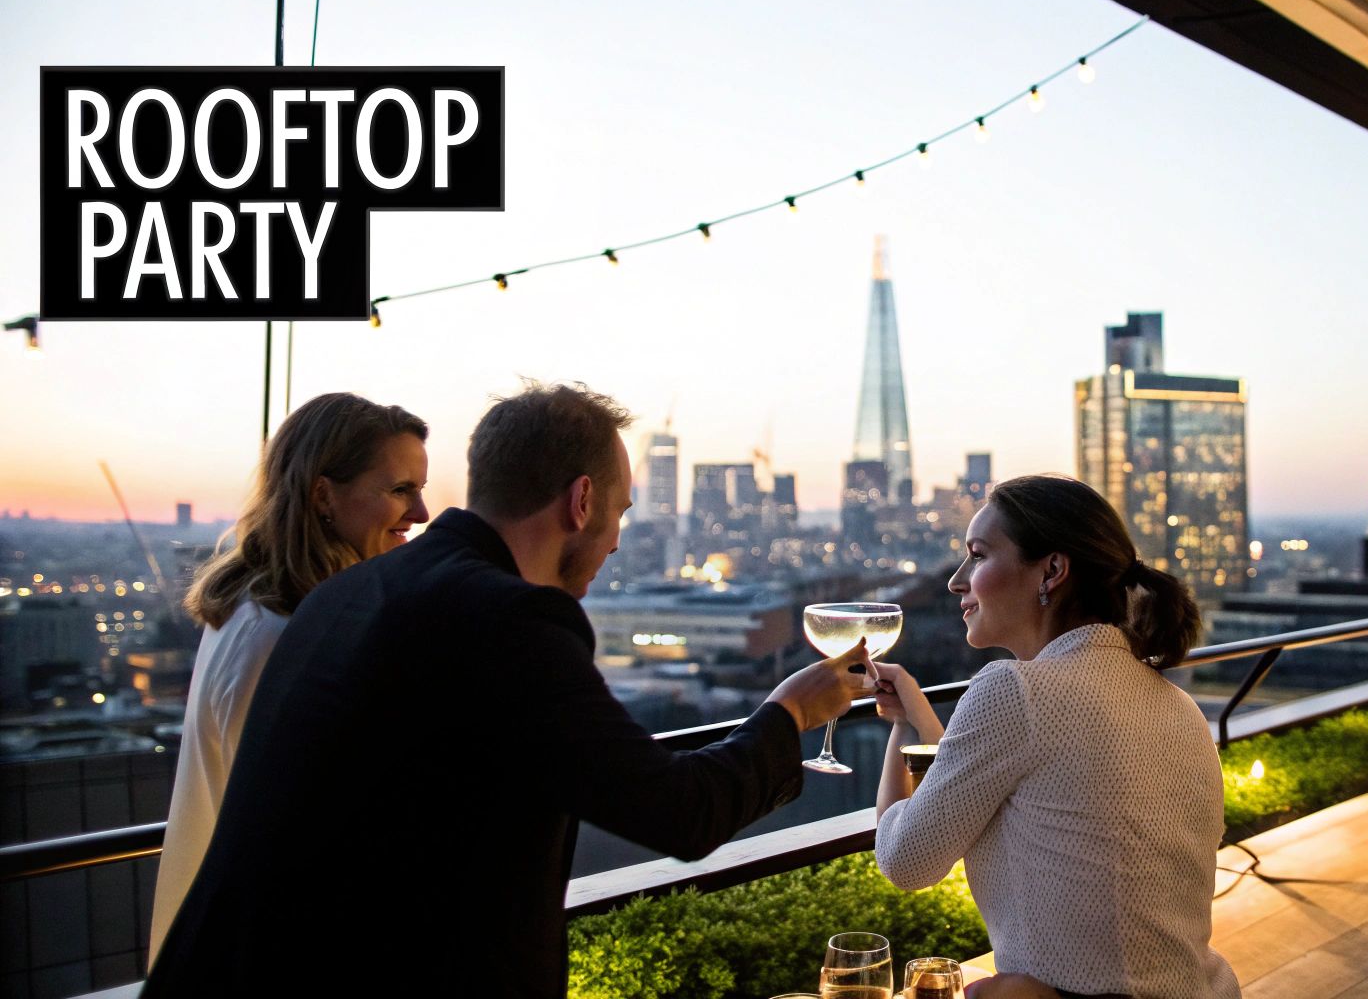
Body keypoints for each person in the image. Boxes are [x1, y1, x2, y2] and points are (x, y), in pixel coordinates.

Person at [144, 382, 869, 997]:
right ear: (581, 501)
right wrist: (789, 714)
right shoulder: (509, 618)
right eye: (619, 513)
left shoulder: (353, 589)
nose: (616, 540)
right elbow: (677, 811)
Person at [871, 474, 1242, 999]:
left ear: (1052, 570)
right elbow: (983, 778)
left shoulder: (1015, 690)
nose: (957, 580)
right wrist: (910, 721)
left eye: (977, 556)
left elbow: (906, 860)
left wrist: (901, 744)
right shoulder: (1174, 703)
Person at [149, 392, 431, 959]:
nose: (422, 514)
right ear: (323, 494)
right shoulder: (280, 638)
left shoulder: (260, 612)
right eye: (401, 490)